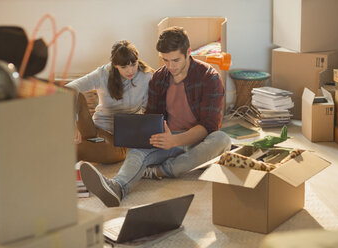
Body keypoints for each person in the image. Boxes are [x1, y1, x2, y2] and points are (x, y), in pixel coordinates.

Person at [79, 27, 231, 207]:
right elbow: (153, 116)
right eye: (165, 60)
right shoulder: (159, 77)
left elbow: (209, 126)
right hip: (167, 137)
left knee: (222, 139)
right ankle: (117, 186)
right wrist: (144, 136)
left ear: (188, 53)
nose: (170, 66)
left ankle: (159, 171)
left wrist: (174, 141)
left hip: (199, 139)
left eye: (175, 60)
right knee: (137, 149)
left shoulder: (209, 78)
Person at [65, 40, 153, 164]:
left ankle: (60, 159)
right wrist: (72, 124)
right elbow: (69, 88)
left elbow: (148, 112)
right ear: (115, 65)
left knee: (83, 149)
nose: (130, 71)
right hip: (95, 130)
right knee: (76, 95)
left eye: (133, 64)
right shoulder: (103, 74)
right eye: (124, 67)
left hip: (120, 141)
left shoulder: (146, 77)